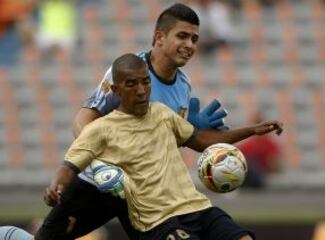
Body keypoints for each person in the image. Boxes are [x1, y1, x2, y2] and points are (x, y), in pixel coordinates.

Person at [35, 3, 229, 240]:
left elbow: (157, 141)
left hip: (142, 194)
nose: (190, 45)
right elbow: (84, 118)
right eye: (182, 36)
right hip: (98, 185)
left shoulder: (183, 85)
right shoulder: (127, 72)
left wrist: (192, 134)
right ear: (159, 37)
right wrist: (102, 166)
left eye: (194, 39)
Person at [44, 53, 283, 240]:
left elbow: (200, 141)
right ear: (115, 90)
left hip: (197, 208)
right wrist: (55, 188)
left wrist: (252, 130)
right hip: (159, 221)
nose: (141, 90)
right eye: (131, 84)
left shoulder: (161, 113)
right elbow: (68, 168)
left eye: (145, 82)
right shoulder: (100, 129)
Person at [235, 112, 282, 189]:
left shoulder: (270, 145)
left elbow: (276, 166)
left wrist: (270, 164)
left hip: (261, 177)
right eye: (257, 123)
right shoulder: (246, 145)